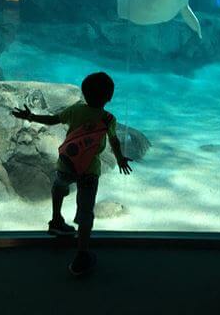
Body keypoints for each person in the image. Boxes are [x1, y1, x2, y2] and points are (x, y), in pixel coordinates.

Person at [11, 72, 133, 275]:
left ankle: (56, 220)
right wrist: (120, 159)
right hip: (89, 170)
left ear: (84, 94)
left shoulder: (76, 110)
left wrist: (31, 116)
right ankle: (82, 254)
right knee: (85, 210)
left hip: (67, 163)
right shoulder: (108, 118)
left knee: (59, 185)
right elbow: (114, 141)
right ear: (109, 97)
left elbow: (53, 120)